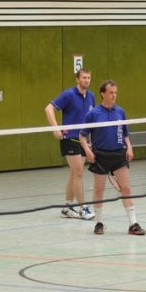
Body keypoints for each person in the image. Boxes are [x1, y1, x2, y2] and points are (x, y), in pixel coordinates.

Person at [78, 80, 146, 236]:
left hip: (118, 155)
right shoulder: (93, 114)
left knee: (126, 188)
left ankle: (133, 224)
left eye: (115, 92)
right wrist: (87, 151)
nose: (114, 95)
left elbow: (125, 133)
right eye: (111, 92)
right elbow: (82, 136)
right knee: (99, 190)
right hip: (100, 156)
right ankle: (99, 223)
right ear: (103, 94)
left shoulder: (120, 112)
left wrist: (129, 147)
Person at [45, 69, 95, 220]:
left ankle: (67, 208)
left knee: (74, 174)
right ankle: (83, 208)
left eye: (89, 77)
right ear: (77, 80)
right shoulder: (68, 94)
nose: (87, 80)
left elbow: (90, 120)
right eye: (84, 77)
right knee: (78, 173)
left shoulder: (91, 97)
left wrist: (91, 140)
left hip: (83, 140)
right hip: (70, 139)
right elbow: (48, 108)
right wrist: (55, 128)